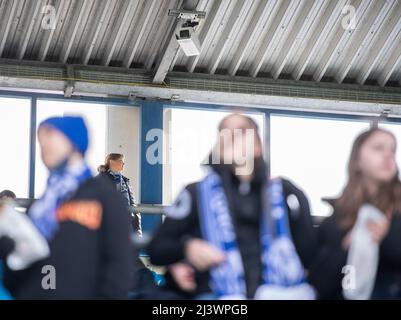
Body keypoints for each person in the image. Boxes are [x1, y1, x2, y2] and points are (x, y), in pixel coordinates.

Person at [148, 113, 318, 300]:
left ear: (258, 147)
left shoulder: (285, 193)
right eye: (224, 132)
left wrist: (300, 200)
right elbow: (157, 249)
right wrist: (187, 248)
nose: (231, 136)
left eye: (242, 131)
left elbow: (311, 257)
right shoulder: (195, 193)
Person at [4, 116, 133, 299]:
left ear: (73, 142)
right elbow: (16, 279)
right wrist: (10, 249)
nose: (44, 145)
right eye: (41, 140)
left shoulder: (104, 197)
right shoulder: (40, 207)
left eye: (51, 137)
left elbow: (119, 269)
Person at [308, 128, 401, 299]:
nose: (388, 155)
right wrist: (346, 247)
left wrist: (387, 239)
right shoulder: (337, 219)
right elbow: (318, 285)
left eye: (393, 150)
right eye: (378, 148)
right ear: (357, 160)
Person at [97, 153, 142, 236]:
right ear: (112, 162)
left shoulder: (126, 181)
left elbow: (133, 205)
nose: (123, 164)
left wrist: (137, 230)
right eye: (121, 161)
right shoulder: (101, 179)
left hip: (127, 223)